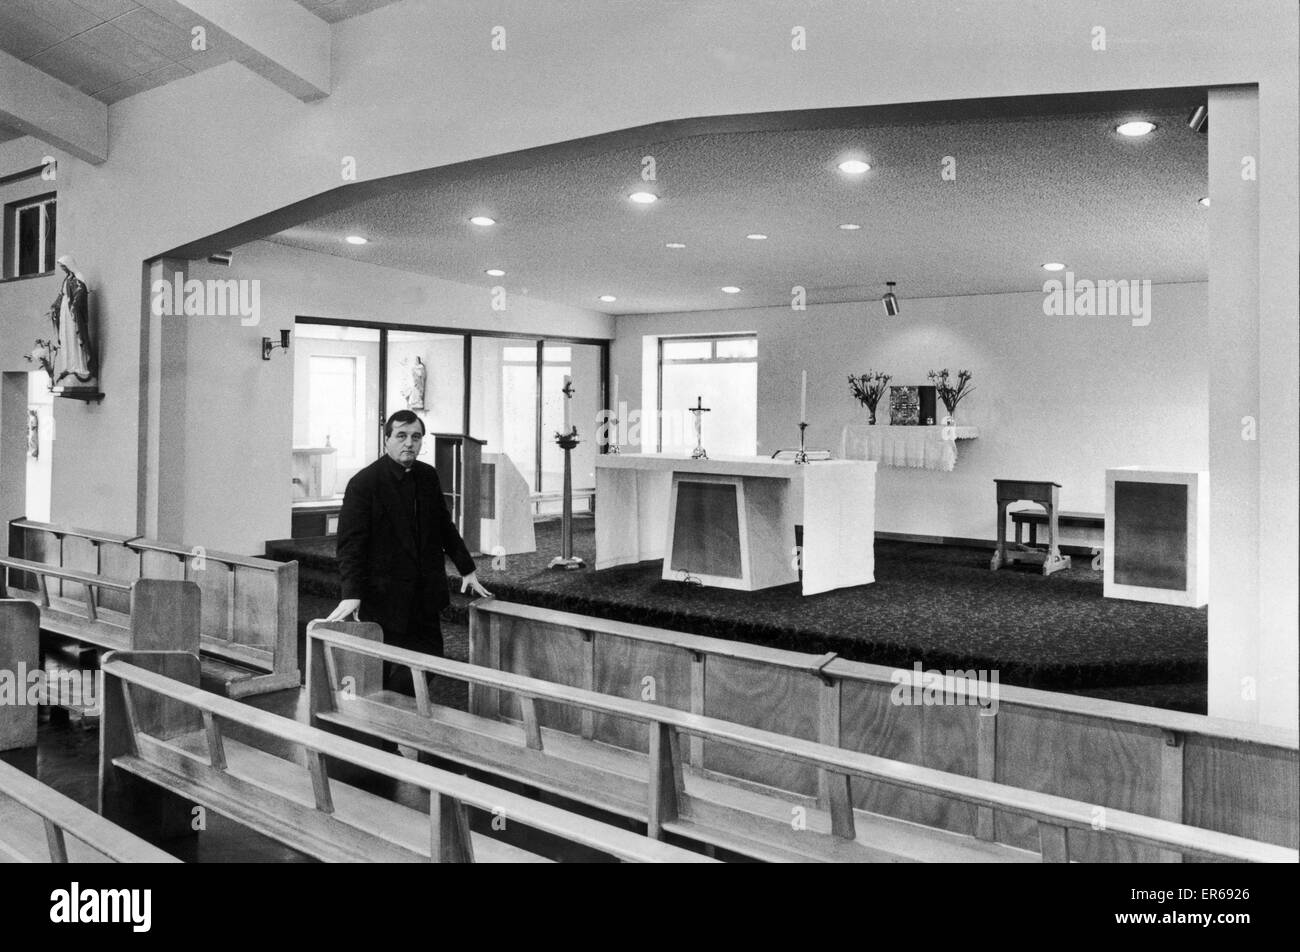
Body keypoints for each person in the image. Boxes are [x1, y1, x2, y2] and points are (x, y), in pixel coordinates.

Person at [327, 410, 490, 692]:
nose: (409, 443)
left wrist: (466, 567)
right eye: (401, 436)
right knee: (382, 671)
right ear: (386, 439)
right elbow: (350, 546)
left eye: (416, 437)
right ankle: (384, 727)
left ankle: (393, 713)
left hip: (424, 596)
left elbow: (443, 525)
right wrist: (351, 593)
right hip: (384, 598)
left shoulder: (427, 476)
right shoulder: (364, 483)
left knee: (430, 661)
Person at [50, 255, 95, 385]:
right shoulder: (67, 279)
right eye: (61, 267)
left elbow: (81, 291)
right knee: (66, 337)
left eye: (64, 266)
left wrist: (74, 305)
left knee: (74, 335)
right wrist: (54, 306)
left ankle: (78, 366)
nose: (63, 269)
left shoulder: (78, 277)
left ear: (69, 265)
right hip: (64, 310)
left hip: (72, 312)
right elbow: (61, 295)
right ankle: (69, 366)